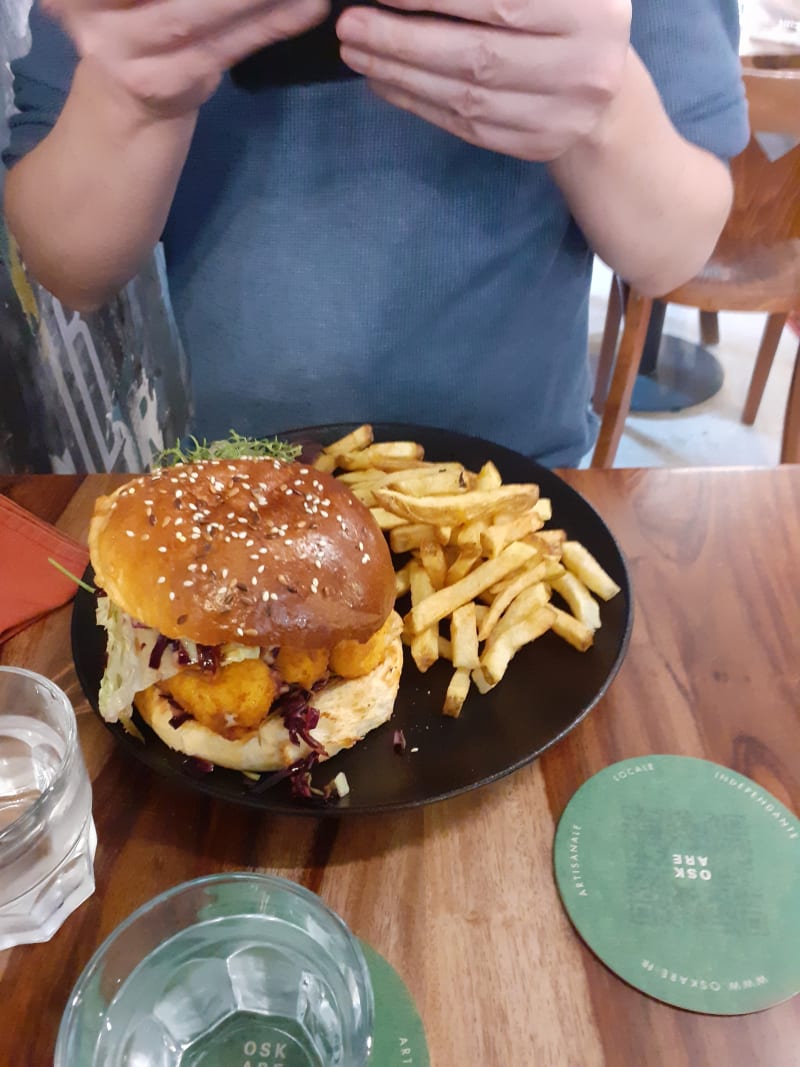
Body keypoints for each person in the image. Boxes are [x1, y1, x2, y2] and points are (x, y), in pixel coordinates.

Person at [2, 0, 748, 465]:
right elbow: (67, 264)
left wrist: (606, 107)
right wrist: (131, 97)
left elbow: (674, 245)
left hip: (522, 485)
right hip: (236, 475)